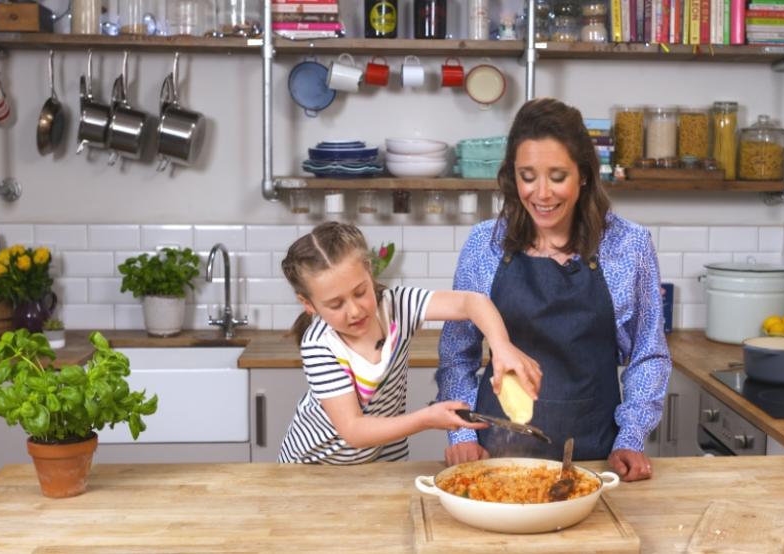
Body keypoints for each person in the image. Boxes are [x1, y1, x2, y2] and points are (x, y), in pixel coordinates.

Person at [436, 98, 672, 481]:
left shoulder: (629, 246)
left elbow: (647, 354)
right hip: (496, 456)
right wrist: (462, 432)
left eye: (557, 176)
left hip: (595, 457)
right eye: (528, 176)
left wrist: (631, 437)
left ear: (583, 175)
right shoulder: (484, 244)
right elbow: (456, 355)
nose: (541, 193)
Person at [277, 222, 542, 464]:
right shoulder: (319, 344)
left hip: (382, 458)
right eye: (336, 304)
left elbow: (472, 302)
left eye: (360, 292)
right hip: (314, 465)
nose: (355, 311)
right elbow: (354, 430)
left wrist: (502, 346)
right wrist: (426, 419)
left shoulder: (397, 306)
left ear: (369, 273)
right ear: (308, 304)